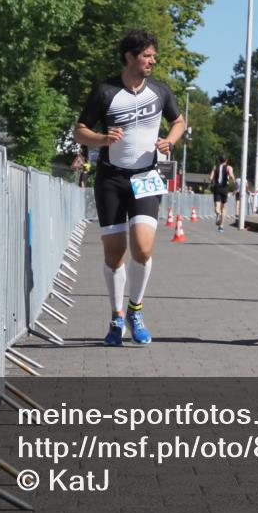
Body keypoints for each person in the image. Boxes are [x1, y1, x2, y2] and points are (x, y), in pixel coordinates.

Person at [74, 30, 185, 346]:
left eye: (153, 55)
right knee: (114, 254)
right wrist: (102, 139)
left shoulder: (160, 91)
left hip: (145, 175)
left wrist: (170, 140)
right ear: (130, 56)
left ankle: (135, 310)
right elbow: (80, 131)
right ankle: (116, 316)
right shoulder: (105, 91)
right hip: (110, 178)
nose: (153, 60)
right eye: (148, 55)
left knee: (143, 245)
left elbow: (179, 121)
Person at [209, 154, 234, 233]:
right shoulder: (229, 167)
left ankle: (218, 214)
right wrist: (233, 182)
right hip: (225, 188)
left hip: (217, 187)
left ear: (219, 160)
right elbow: (232, 176)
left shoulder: (215, 167)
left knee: (217, 206)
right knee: (224, 208)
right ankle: (221, 226)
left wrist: (211, 179)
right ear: (226, 160)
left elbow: (210, 178)